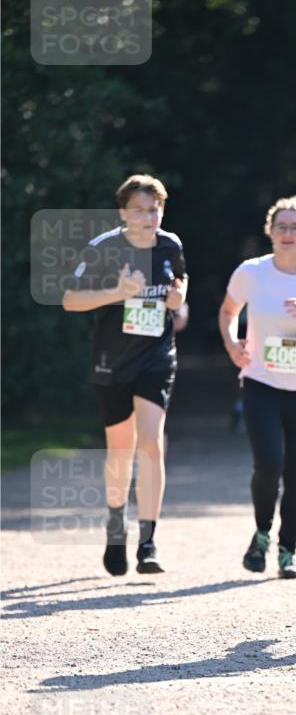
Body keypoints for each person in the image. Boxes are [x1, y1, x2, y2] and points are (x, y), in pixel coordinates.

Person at [62, 174, 188, 576]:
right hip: (112, 361)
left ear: (162, 210)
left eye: (154, 209)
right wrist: (117, 292)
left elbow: (180, 301)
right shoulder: (105, 248)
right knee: (120, 450)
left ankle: (148, 543)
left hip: (157, 356)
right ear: (123, 212)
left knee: (151, 444)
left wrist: (178, 302)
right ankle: (116, 527)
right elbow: (69, 299)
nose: (148, 217)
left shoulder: (171, 246)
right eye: (139, 210)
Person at [219, 196, 296, 579]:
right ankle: (262, 534)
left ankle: (288, 550)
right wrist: (232, 343)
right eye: (281, 226)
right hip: (260, 382)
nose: (288, 233)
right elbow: (229, 312)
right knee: (268, 464)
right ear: (270, 231)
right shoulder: (252, 272)